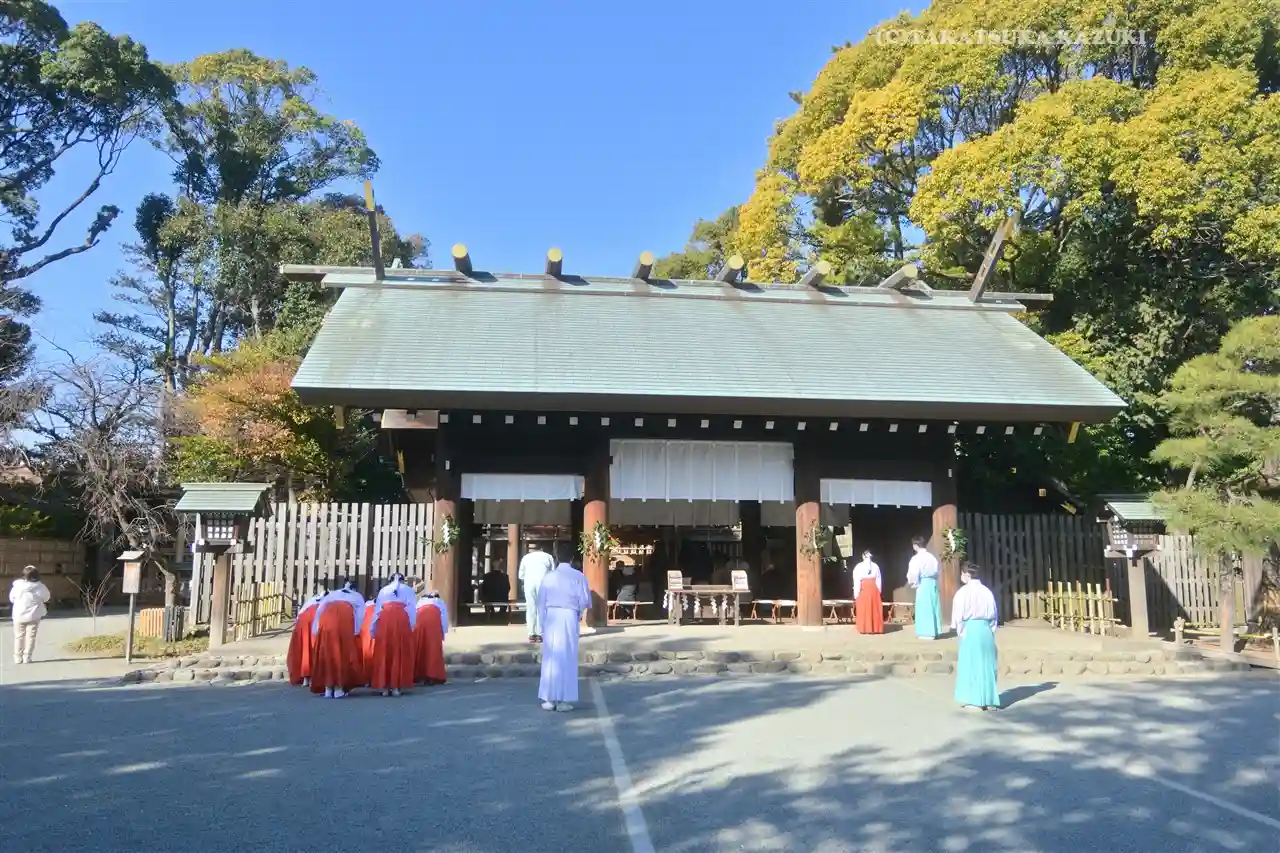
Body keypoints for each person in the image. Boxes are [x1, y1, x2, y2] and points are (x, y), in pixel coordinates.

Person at [536, 544, 591, 712]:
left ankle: (549, 699)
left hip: (551, 616)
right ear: (572, 559)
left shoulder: (548, 577)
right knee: (567, 657)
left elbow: (540, 602)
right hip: (569, 616)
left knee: (551, 657)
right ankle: (563, 700)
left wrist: (542, 623)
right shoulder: (578, 576)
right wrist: (578, 613)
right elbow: (584, 601)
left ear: (556, 558)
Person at [951, 563, 1001, 711]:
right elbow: (994, 615)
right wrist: (990, 630)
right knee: (987, 664)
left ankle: (975, 700)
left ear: (967, 575)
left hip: (970, 629)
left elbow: (958, 616)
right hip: (986, 629)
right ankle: (989, 700)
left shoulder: (963, 592)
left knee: (971, 664)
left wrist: (961, 632)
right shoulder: (987, 592)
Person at [310, 579, 366, 698]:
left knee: (327, 652)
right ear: (354, 589)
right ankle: (338, 688)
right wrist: (356, 630)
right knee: (341, 652)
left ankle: (328, 688)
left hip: (327, 617)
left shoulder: (333, 594)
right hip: (344, 617)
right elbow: (360, 615)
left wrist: (316, 627)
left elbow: (320, 609)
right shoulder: (357, 596)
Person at [369, 574, 417, 697]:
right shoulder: (408, 590)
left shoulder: (383, 590)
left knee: (384, 651)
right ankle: (396, 686)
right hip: (401, 618)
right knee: (399, 651)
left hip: (385, 618)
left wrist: (373, 629)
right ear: (403, 580)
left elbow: (377, 611)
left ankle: (384, 687)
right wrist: (411, 626)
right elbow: (412, 609)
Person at [9, 566, 50, 665]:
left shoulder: (17, 586)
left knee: (19, 636)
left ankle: (18, 657)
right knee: (31, 636)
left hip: (18, 615)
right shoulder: (40, 587)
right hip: (34, 615)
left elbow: (11, 599)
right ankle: (27, 657)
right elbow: (47, 598)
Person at [287, 585, 327, 686]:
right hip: (316, 619)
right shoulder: (329, 602)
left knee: (306, 649)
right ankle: (314, 678)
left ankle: (306, 677)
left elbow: (299, 615)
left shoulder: (311, 601)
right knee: (315, 648)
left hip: (303, 621)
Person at [907, 536, 942, 640]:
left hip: (923, 583)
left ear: (915, 545)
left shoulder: (916, 558)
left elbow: (914, 573)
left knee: (924, 607)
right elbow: (937, 570)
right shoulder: (931, 557)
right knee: (933, 606)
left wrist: (914, 582)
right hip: (932, 582)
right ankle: (935, 630)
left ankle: (925, 632)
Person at [518, 542, 554, 643]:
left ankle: (531, 633)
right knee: (542, 608)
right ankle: (540, 633)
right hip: (544, 583)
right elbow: (552, 572)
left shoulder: (526, 557)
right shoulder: (548, 557)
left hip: (529, 583)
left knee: (531, 608)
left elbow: (521, 575)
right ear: (542, 548)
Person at [414, 590, 449, 685]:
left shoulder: (420, 602)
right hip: (434, 624)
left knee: (420, 649)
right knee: (433, 650)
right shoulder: (440, 602)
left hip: (419, 624)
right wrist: (443, 632)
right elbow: (444, 619)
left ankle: (418, 675)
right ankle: (433, 676)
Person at [851, 550, 884, 634]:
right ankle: (873, 628)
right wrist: (879, 589)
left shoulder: (860, 566)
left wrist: (856, 590)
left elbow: (856, 578)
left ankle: (866, 628)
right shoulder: (874, 566)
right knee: (872, 607)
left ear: (863, 556)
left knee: (866, 607)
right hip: (871, 588)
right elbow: (878, 579)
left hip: (866, 587)